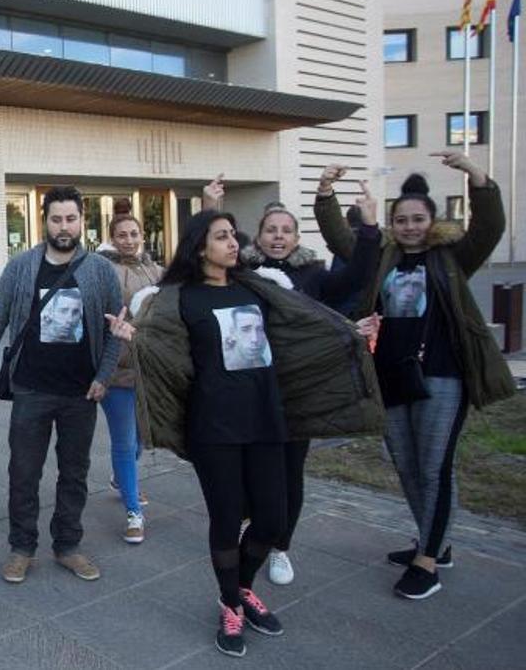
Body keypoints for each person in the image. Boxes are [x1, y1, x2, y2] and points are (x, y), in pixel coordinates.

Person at [114, 210, 383, 657]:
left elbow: (303, 328)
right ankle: (230, 606)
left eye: (234, 236)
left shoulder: (258, 287)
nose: (233, 243)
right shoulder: (180, 297)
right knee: (226, 516)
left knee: (273, 518)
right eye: (222, 237)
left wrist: (348, 333)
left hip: (265, 417)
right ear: (202, 246)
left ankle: (238, 589)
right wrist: (131, 337)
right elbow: (161, 348)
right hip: (214, 424)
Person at [315, 151, 516, 600]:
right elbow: (340, 241)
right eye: (401, 220)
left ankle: (429, 559)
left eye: (417, 219)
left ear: (432, 220)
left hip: (443, 375)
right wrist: (326, 192)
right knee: (406, 464)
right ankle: (434, 540)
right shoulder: (381, 258)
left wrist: (476, 176)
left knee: (434, 467)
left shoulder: (452, 258)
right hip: (390, 374)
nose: (409, 227)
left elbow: (490, 227)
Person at [203, 169, 382, 586]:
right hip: (247, 391)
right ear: (258, 237)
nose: (278, 236)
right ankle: (257, 527)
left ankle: (280, 546)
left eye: (286, 230)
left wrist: (370, 227)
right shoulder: (241, 272)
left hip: (297, 393)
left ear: (297, 238)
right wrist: (211, 207)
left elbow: (357, 277)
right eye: (270, 230)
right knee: (249, 469)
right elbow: (204, 255)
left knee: (289, 472)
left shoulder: (315, 276)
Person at [0, 186, 122, 584]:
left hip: (80, 392)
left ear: (82, 221)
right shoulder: (21, 267)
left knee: (74, 473)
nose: (64, 226)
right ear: (44, 220)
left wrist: (103, 377)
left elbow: (114, 331)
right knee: (23, 472)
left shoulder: (100, 270)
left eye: (71, 218)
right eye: (56, 219)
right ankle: (22, 547)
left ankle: (68, 545)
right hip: (31, 389)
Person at [96, 214, 163, 543]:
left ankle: (122, 480)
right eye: (121, 234)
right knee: (124, 441)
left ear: (142, 235)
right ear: (112, 237)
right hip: (117, 369)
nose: (129, 239)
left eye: (134, 233)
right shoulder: (104, 269)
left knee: (139, 440)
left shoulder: (154, 269)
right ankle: (134, 511)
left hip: (147, 369)